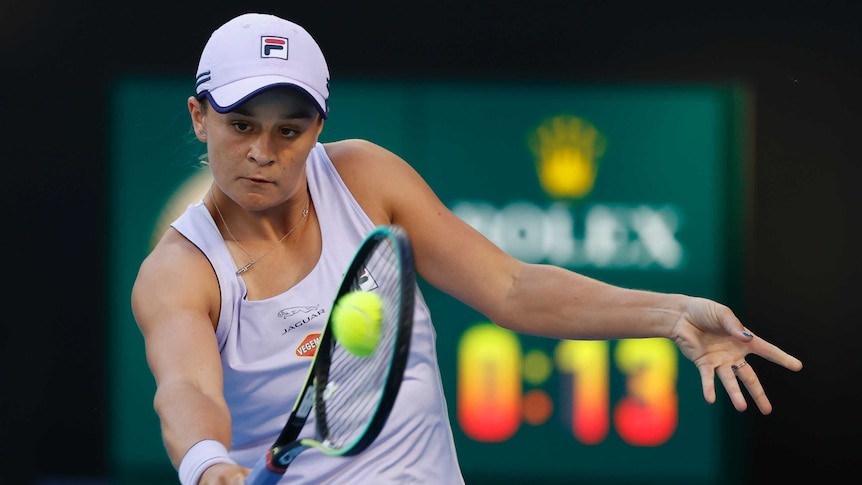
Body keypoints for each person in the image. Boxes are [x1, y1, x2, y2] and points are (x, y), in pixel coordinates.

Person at [130, 12, 803, 485]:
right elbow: (185, 385)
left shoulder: (367, 179)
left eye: (289, 130)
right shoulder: (180, 273)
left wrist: (672, 311)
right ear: (199, 115)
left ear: (318, 128)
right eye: (240, 124)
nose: (262, 153)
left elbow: (510, 288)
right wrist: (205, 459)